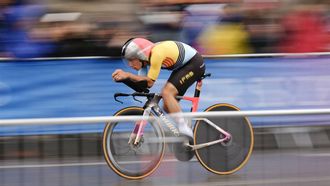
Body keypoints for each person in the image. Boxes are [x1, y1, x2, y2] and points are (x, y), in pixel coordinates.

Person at [112, 38, 206, 138]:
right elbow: (142, 87)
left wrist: (127, 75)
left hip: (194, 63)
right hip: (182, 67)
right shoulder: (144, 60)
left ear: (140, 55)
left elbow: (150, 82)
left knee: (166, 93)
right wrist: (123, 79)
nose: (130, 65)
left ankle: (184, 128)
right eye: (128, 61)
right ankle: (185, 126)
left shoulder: (156, 53)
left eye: (131, 60)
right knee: (166, 106)